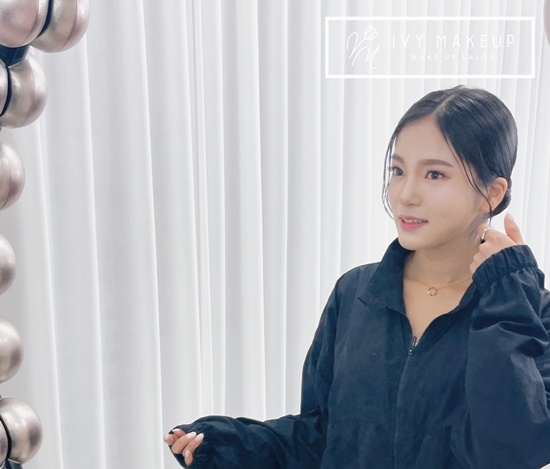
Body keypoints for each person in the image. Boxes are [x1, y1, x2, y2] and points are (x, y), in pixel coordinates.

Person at [163, 85, 550, 468]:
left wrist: (507, 294)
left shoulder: (530, 312)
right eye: (398, 170)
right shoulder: (356, 294)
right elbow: (320, 437)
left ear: (491, 193)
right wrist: (230, 445)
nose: (405, 194)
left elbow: (513, 449)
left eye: (434, 174)